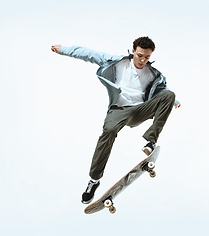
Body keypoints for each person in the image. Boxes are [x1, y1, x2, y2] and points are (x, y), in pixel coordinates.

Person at [51, 36, 181, 204]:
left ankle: (150, 141)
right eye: (140, 55)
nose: (142, 60)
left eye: (147, 57)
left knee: (170, 95)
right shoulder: (116, 62)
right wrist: (65, 50)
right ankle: (94, 180)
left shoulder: (153, 75)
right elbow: (89, 54)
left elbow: (163, 90)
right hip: (118, 110)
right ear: (133, 50)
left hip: (139, 111)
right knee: (109, 132)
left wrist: (174, 101)